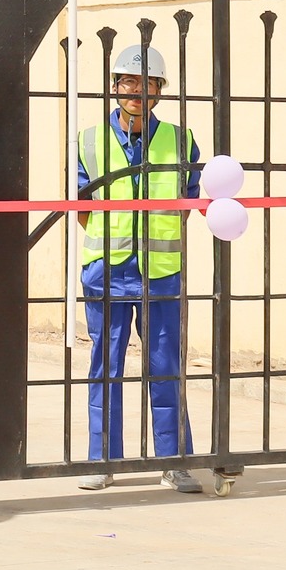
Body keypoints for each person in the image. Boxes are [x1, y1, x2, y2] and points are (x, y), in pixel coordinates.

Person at [75, 43, 204, 495]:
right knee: (105, 367)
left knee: (166, 365)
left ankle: (174, 460)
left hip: (161, 271)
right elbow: (81, 207)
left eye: (146, 84)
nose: (137, 92)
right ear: (115, 88)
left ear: (159, 91)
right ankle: (103, 460)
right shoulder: (88, 140)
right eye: (128, 82)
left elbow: (190, 201)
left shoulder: (181, 139)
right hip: (106, 271)